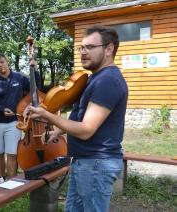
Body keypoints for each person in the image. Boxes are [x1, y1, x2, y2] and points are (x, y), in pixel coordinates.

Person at [25, 25, 127, 211]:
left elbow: (87, 129)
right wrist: (58, 130)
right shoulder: (96, 78)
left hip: (96, 163)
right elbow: (81, 118)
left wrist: (46, 114)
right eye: (81, 47)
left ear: (109, 49)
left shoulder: (108, 81)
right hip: (86, 162)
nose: (83, 52)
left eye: (90, 47)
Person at [0, 53, 33, 184]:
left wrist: (34, 68)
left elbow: (34, 89)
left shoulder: (20, 77)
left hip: (14, 122)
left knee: (12, 153)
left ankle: (12, 181)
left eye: (1, 62)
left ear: (7, 61)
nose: (0, 65)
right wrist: (1, 109)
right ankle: (0, 179)